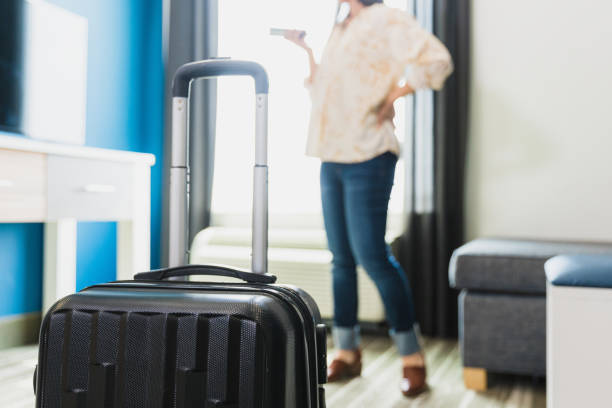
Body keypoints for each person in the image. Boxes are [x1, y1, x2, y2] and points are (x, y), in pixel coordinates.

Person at [284, 0, 453, 397]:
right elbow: (324, 90)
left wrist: (396, 94)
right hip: (332, 155)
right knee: (341, 260)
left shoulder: (386, 19)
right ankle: (347, 351)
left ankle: (412, 358)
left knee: (373, 257)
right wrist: (307, 51)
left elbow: (437, 60)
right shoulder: (340, 27)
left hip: (369, 154)